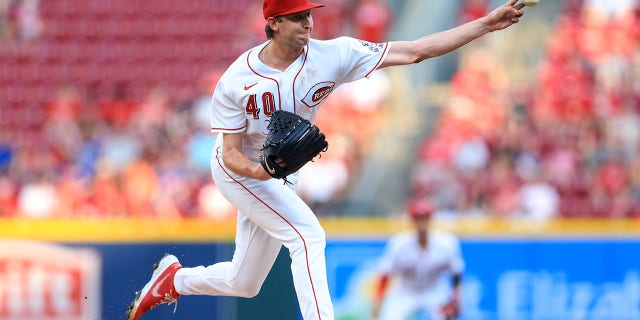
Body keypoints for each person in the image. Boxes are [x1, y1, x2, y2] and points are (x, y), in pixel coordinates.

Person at [127, 0, 526, 319]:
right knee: (308, 235)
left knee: (244, 282)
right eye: (297, 17)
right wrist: (258, 172)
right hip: (239, 171)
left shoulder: (333, 54)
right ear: (274, 24)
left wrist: (485, 25)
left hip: (279, 174)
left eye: (309, 15)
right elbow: (229, 153)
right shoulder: (237, 79)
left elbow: (415, 51)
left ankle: (175, 281)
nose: (308, 23)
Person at [372, 197, 465, 320]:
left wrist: (456, 297)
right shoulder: (398, 244)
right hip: (406, 291)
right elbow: (385, 273)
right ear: (412, 220)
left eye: (425, 217)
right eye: (418, 218)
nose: (422, 222)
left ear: (431, 218)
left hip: (434, 290)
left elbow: (456, 272)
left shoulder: (447, 243)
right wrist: (378, 300)